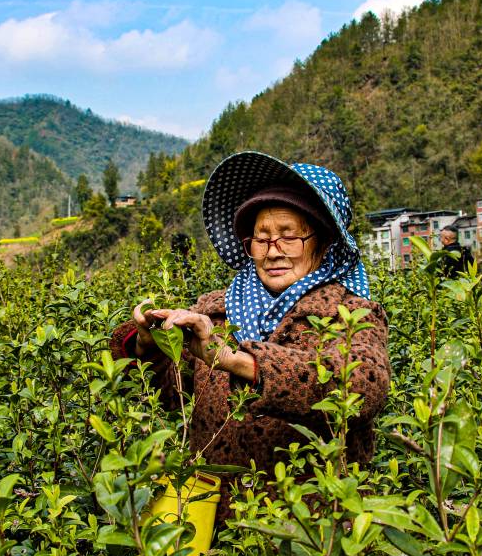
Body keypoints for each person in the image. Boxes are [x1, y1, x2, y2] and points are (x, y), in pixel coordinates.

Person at [109, 151, 390, 521]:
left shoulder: (351, 313)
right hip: (213, 526)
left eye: (289, 238)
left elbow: (361, 388)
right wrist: (149, 347)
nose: (273, 252)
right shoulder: (216, 312)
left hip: (310, 533)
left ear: (322, 243)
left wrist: (235, 360)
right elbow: (171, 395)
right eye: (262, 239)